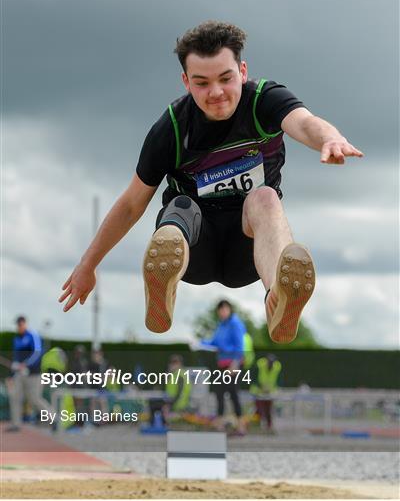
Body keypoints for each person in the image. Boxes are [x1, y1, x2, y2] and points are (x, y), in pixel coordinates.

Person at [59, 21, 363, 343]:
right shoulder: (174, 128)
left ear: (242, 71)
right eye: (202, 83)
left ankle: (278, 296)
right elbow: (132, 203)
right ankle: (164, 286)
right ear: (186, 81)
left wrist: (331, 138)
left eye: (225, 79)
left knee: (265, 198)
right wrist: (87, 265)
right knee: (181, 206)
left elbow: (304, 123)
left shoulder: (263, 101)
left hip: (249, 251)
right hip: (194, 249)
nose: (216, 93)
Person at [202, 300, 247, 435]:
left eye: (224, 309)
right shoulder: (221, 325)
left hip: (232, 364)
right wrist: (199, 342)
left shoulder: (235, 323)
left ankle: (239, 426)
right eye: (220, 310)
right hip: (222, 365)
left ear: (229, 309)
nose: (222, 312)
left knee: (233, 394)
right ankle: (220, 424)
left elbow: (240, 345)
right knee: (219, 393)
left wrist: (235, 363)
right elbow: (214, 342)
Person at [6, 316, 55, 432]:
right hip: (20, 374)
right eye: (18, 325)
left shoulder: (33, 335)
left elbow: (38, 353)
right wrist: (14, 368)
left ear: (25, 324)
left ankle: (54, 418)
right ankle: (16, 424)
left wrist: (26, 364)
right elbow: (16, 357)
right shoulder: (16, 339)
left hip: (34, 374)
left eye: (21, 324)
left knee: (35, 399)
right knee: (14, 397)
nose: (19, 327)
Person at [250, 353, 282, 433]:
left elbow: (278, 380)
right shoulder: (259, 365)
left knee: (268, 410)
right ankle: (256, 426)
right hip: (258, 392)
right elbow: (252, 378)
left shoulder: (277, 367)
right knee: (259, 410)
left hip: (269, 393)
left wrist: (273, 389)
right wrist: (261, 386)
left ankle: (269, 427)